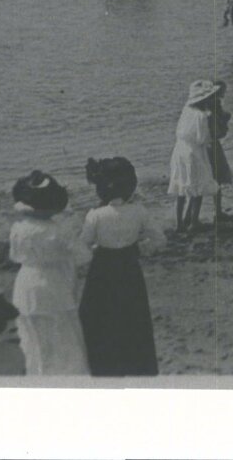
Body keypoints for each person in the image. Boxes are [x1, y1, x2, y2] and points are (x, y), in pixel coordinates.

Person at [79, 156, 162, 376]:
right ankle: (136, 366)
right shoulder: (139, 211)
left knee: (100, 319)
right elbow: (159, 240)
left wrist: (94, 252)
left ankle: (105, 367)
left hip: (102, 269)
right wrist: (140, 250)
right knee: (133, 318)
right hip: (129, 267)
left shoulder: (95, 215)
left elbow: (82, 247)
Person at [8, 171, 88, 376]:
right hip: (53, 283)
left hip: (26, 282)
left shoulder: (18, 228)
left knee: (32, 339)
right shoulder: (58, 230)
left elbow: (14, 256)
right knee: (64, 339)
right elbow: (84, 256)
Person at [168, 80, 229, 232]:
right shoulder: (202, 116)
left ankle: (179, 223)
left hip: (179, 149)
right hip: (194, 152)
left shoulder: (186, 110)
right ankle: (194, 221)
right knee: (198, 186)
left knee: (181, 187)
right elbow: (203, 138)